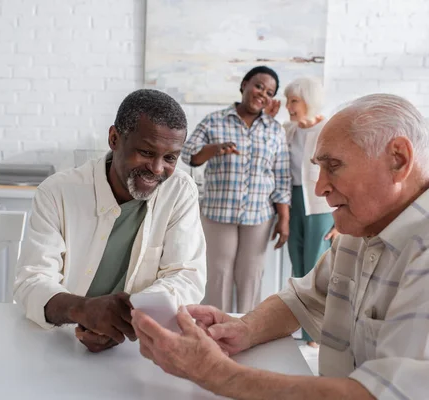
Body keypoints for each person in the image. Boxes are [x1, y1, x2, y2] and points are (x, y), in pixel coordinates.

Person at [132, 93, 429, 399]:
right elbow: (301, 299)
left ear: (398, 160)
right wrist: (245, 328)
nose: (319, 187)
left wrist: (214, 372)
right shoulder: (361, 231)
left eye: (334, 166)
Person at [13, 88, 206, 353]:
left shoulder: (180, 191)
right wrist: (82, 311)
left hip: (138, 348)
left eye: (170, 157)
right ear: (114, 138)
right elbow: (32, 280)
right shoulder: (57, 191)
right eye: (147, 152)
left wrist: (128, 320)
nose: (158, 168)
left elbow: (186, 276)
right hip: (56, 342)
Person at [181, 66, 291, 314]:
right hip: (218, 213)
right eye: (259, 86)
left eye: (270, 92)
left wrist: (284, 218)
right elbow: (189, 154)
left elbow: (282, 177)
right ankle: (214, 330)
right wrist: (215, 148)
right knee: (218, 275)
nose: (263, 93)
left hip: (259, 216)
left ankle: (245, 331)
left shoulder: (274, 130)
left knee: (251, 277)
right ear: (244, 85)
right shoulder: (214, 120)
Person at [283, 77, 338, 348]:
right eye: (287, 100)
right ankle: (303, 331)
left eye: (294, 101)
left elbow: (342, 172)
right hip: (294, 202)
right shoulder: (289, 131)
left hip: (321, 205)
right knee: (298, 267)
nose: (288, 106)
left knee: (319, 269)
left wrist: (340, 219)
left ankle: (318, 334)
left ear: (309, 101)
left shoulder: (329, 130)